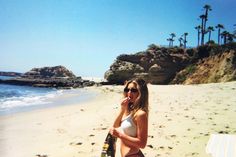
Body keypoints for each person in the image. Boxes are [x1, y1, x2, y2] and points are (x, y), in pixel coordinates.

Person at [109, 78, 149, 157]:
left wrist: (119, 135)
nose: (129, 93)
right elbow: (116, 125)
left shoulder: (140, 114)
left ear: (141, 93)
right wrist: (122, 109)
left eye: (133, 90)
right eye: (127, 90)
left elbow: (142, 144)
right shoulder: (130, 109)